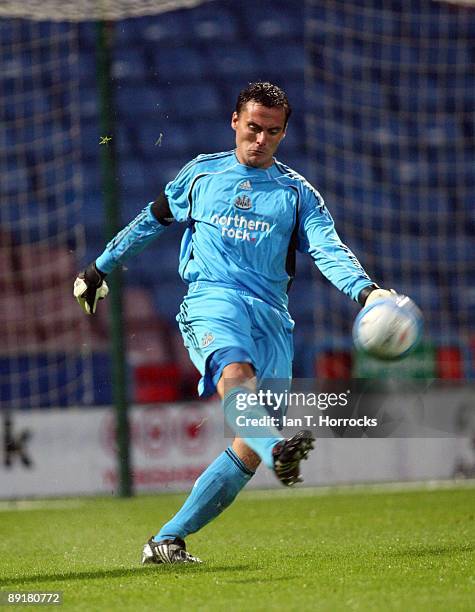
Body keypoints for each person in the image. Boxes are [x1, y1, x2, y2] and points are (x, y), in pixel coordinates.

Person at [74, 81, 394, 565]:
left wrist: (368, 292)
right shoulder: (200, 175)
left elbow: (329, 249)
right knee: (234, 375)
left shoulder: (297, 194)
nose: (261, 139)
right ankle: (278, 448)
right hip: (213, 301)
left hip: (272, 320)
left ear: (284, 133)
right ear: (234, 121)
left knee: (248, 448)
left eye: (273, 131)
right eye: (253, 128)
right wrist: (100, 265)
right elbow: (150, 220)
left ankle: (166, 540)